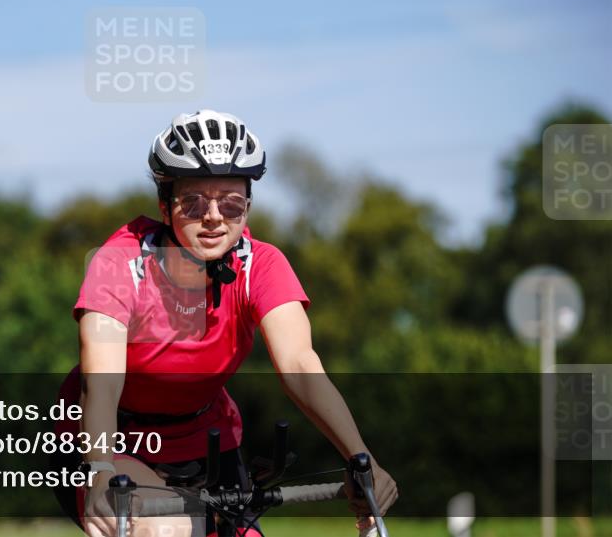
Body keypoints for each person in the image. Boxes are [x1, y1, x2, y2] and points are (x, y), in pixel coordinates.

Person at [51, 110, 397, 537]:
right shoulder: (119, 262)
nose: (213, 216)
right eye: (193, 201)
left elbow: (301, 366)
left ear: (247, 206)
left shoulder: (262, 265)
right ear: (164, 204)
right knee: (167, 530)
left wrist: (360, 459)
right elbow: (100, 379)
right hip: (113, 437)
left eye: (231, 203)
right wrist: (100, 469)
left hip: (206, 439)